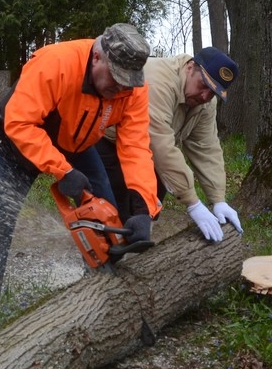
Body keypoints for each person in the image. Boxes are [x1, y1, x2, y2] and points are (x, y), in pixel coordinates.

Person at [0, 23, 161, 349]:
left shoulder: (133, 88)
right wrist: (62, 170)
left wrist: (142, 208)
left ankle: (100, 308)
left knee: (107, 224)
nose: (120, 89)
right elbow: (19, 122)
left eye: (127, 82)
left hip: (76, 143)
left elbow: (135, 147)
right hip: (15, 142)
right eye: (115, 78)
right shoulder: (55, 63)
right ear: (96, 58)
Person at [97, 46, 243, 242]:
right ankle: (100, 253)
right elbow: (160, 143)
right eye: (203, 85)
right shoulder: (159, 80)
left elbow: (206, 148)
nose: (205, 96)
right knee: (118, 207)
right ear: (191, 67)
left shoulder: (206, 103)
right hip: (108, 140)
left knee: (149, 209)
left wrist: (218, 199)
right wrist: (193, 203)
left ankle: (128, 251)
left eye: (213, 92)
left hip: (143, 152)